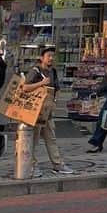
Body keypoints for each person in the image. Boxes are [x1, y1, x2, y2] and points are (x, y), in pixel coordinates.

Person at [19, 47, 73, 176]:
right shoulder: (35, 71)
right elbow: (24, 87)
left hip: (47, 113)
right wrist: (41, 83)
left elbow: (57, 88)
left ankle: (58, 164)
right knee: (34, 140)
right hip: (35, 113)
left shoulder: (53, 71)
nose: (51, 58)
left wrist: (55, 101)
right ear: (42, 58)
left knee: (51, 139)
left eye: (53, 56)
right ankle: (32, 165)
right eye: (49, 56)